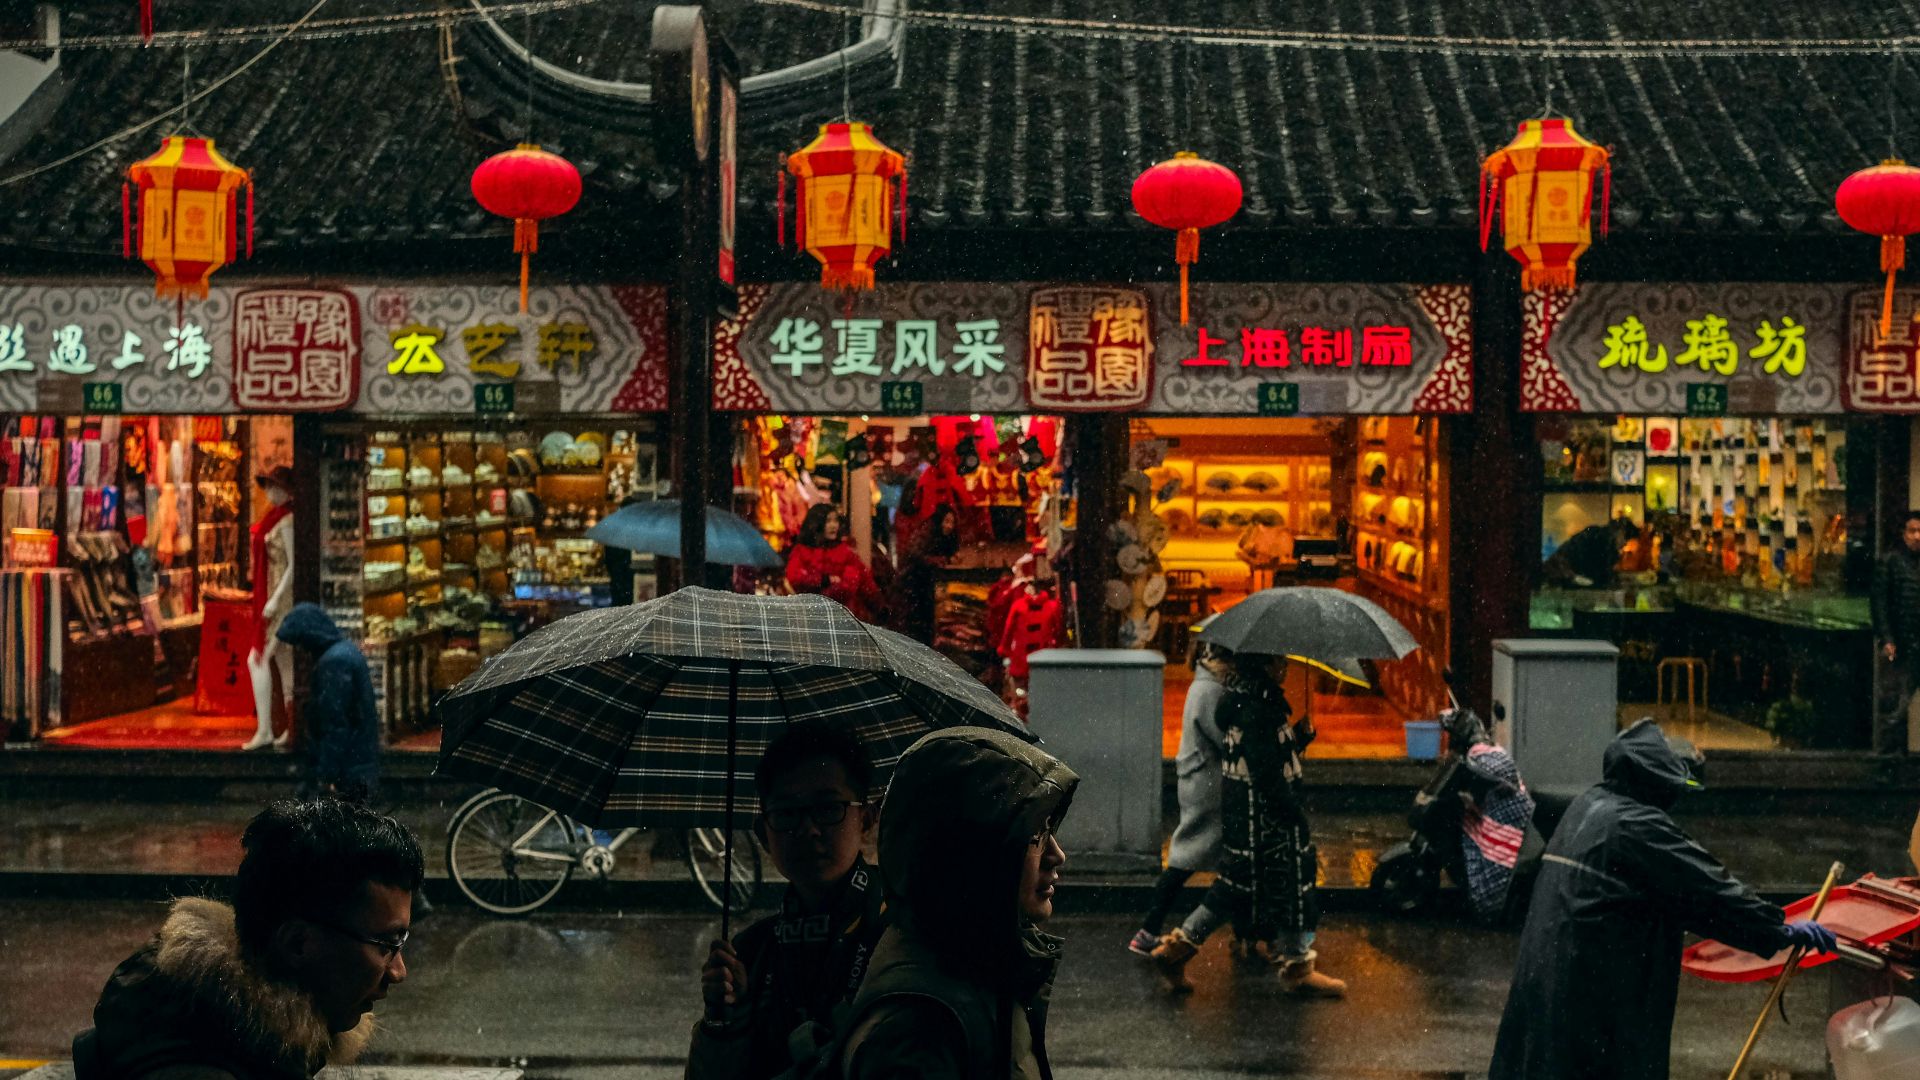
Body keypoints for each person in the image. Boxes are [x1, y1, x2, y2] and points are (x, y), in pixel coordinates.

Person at [1488, 719, 1838, 1080]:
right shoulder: (1636, 827)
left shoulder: (1587, 806)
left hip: (1547, 994)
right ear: (1655, 783)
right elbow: (1709, 890)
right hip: (1591, 1006)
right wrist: (1778, 928)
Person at [72, 799, 423, 1080]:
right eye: (385, 945)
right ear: (298, 944)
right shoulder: (200, 1067)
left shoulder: (256, 1037)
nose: (398, 971)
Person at [834, 727, 1078, 1078]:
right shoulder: (918, 1031)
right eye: (1034, 835)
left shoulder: (971, 953)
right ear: (971, 850)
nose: (1057, 855)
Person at [687, 722, 888, 1080]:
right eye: (787, 813)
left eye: (828, 809)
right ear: (763, 833)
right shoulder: (750, 955)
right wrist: (723, 1021)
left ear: (867, 819)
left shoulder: (899, 934)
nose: (808, 829)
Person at [1150, 652, 1345, 997]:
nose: (1284, 669)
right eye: (1277, 663)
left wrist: (1298, 738)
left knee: (1232, 889)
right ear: (1262, 667)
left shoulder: (1241, 703)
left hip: (1246, 821)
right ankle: (1298, 967)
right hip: (1267, 823)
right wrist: (1292, 812)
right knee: (1296, 888)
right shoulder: (1258, 709)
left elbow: (1263, 758)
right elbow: (1266, 772)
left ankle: (1176, 950)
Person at [1128, 639, 1232, 956]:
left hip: (1201, 779)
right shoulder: (1210, 690)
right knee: (1189, 858)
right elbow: (1222, 736)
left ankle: (1152, 930)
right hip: (1208, 783)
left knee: (1194, 857)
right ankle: (1151, 931)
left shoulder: (1205, 685)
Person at [276, 603, 380, 805]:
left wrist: (326, 774)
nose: (302, 651)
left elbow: (335, 724)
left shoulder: (334, 663)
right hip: (358, 762)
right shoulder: (344, 653)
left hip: (349, 767)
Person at [1872, 511, 1920, 754]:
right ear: (1904, 534)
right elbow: (1880, 603)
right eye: (1912, 531)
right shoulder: (1891, 561)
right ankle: (1884, 762)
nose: (1917, 537)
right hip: (1903, 643)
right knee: (1895, 709)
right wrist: (1887, 638)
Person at [785, 504, 884, 622]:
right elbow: (795, 577)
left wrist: (880, 608)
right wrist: (824, 580)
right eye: (828, 521)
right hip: (809, 617)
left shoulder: (846, 553)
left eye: (835, 520)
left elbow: (856, 584)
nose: (833, 525)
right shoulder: (802, 550)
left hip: (841, 617)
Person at [898, 503, 959, 642]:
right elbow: (915, 554)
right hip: (915, 584)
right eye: (947, 521)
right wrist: (936, 560)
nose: (950, 526)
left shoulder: (942, 537)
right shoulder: (926, 532)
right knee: (919, 622)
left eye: (952, 522)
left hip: (924, 583)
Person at [1543, 517, 1639, 588]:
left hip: (1563, 578)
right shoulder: (1598, 540)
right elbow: (1598, 575)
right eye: (1625, 538)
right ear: (1619, 531)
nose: (1624, 544)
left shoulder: (1601, 539)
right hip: (1560, 579)